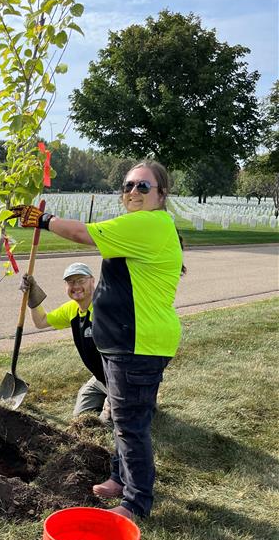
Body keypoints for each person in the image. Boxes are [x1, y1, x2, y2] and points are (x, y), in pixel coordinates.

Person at [10, 160, 184, 520]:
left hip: (138, 343)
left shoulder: (149, 223)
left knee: (131, 424)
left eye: (142, 186)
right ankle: (121, 478)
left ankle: (137, 502)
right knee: (123, 418)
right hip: (125, 342)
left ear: (161, 194)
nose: (132, 191)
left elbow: (82, 234)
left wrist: (42, 220)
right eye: (128, 185)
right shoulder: (143, 227)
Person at [21, 261, 111, 425]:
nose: (76, 286)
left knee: (110, 423)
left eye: (81, 280)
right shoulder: (72, 309)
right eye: (71, 282)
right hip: (101, 379)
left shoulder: (105, 309)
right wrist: (32, 296)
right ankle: (112, 397)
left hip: (120, 378)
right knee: (80, 418)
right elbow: (41, 321)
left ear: (92, 281)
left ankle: (137, 399)